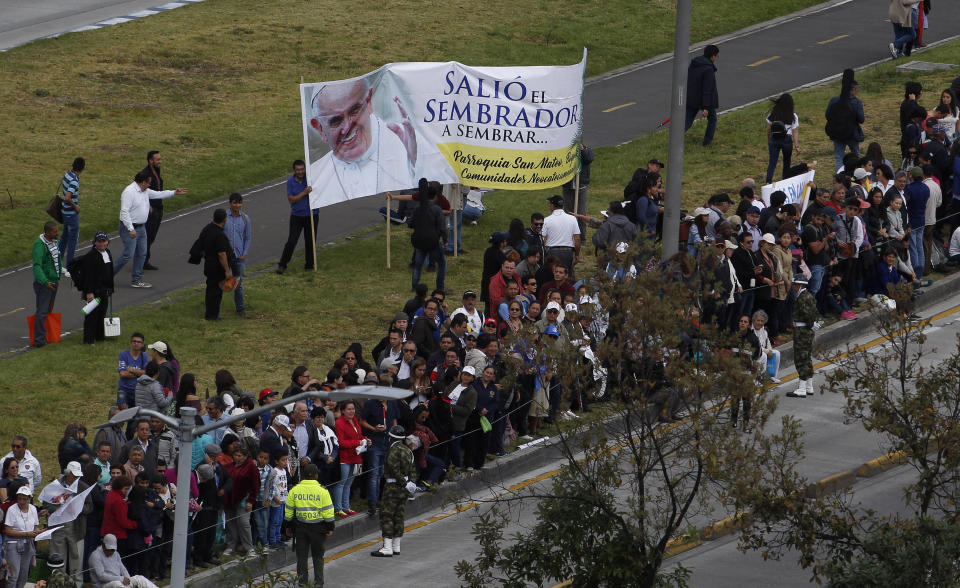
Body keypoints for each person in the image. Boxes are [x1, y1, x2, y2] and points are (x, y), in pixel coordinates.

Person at [306, 78, 456, 204]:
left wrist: (416, 161)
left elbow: (442, 177)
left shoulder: (407, 142)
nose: (347, 127)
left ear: (369, 102)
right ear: (319, 128)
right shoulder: (317, 175)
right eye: (336, 121)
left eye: (354, 110)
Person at [114, 170, 186, 288]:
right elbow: (124, 212)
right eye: (149, 183)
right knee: (128, 254)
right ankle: (107, 277)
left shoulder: (145, 190)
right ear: (142, 182)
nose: (150, 185)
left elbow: (158, 194)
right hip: (129, 228)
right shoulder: (129, 192)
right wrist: (131, 228)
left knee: (142, 253)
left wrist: (174, 192)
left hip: (141, 228)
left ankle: (136, 280)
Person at [285, 463, 335, 587]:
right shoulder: (323, 491)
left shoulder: (294, 490)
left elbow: (289, 511)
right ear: (316, 475)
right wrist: (330, 527)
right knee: (318, 557)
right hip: (318, 529)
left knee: (301, 558)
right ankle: (318, 584)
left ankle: (302, 584)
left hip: (300, 528)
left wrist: (288, 527)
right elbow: (328, 512)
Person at [371, 426, 416, 557]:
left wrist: (403, 482)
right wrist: (410, 483)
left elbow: (394, 469)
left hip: (392, 487)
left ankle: (387, 547)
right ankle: (396, 546)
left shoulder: (393, 451)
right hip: (404, 488)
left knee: (387, 516)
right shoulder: (407, 451)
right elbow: (413, 468)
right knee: (399, 516)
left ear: (391, 437)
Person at [140, 151, 185, 271]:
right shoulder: (145, 174)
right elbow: (140, 190)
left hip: (158, 207)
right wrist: (147, 206)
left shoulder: (156, 171)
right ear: (150, 160)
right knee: (148, 236)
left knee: (152, 236)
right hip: (151, 210)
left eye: (160, 159)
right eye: (157, 159)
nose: (160, 161)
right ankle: (142, 261)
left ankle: (143, 259)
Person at [278, 160, 319, 274]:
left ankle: (309, 265)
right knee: (291, 241)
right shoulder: (290, 182)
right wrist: (304, 192)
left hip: (312, 214)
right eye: (298, 170)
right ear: (294, 170)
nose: (300, 172)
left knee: (310, 241)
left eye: (302, 169)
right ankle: (282, 265)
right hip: (297, 216)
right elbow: (292, 200)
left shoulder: (310, 179)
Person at [74, 231, 115, 344]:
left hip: (105, 290)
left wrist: (111, 288)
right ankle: (88, 340)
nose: (102, 244)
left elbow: (110, 272)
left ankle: (99, 336)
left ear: (107, 242)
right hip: (94, 291)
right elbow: (88, 276)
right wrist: (89, 292)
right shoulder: (91, 256)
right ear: (95, 242)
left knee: (102, 314)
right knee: (92, 316)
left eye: (104, 241)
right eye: (99, 241)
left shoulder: (108, 252)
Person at [408, 179, 447, 293]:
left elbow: (410, 224)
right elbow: (442, 227)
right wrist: (445, 240)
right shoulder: (437, 210)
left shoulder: (417, 208)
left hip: (419, 240)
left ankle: (414, 286)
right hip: (432, 241)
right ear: (435, 196)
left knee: (418, 265)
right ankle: (440, 287)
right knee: (442, 264)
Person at [825, 69, 865, 171]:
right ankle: (857, 175)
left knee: (839, 158)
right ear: (854, 89)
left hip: (838, 133)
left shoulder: (834, 100)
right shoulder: (856, 102)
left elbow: (827, 115)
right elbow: (861, 119)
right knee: (856, 156)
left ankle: (839, 177)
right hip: (852, 133)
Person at [198, 208, 234, 321]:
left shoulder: (207, 229)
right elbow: (222, 254)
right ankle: (213, 316)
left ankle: (209, 314)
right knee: (216, 292)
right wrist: (227, 271)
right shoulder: (219, 235)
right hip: (218, 268)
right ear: (224, 219)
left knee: (210, 290)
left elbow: (201, 246)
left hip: (208, 264)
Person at [88, 533, 160, 588]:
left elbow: (123, 569)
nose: (111, 552)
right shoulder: (95, 556)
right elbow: (101, 576)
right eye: (109, 550)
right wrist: (121, 579)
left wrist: (128, 580)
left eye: (113, 550)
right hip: (104, 585)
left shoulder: (115, 554)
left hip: (119, 581)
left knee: (139, 578)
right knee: (116, 584)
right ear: (103, 545)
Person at [32, 221, 62, 347]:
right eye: (55, 231)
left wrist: (60, 274)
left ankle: (46, 334)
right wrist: (45, 282)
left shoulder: (54, 242)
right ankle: (39, 340)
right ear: (48, 232)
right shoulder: (39, 245)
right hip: (45, 284)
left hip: (54, 281)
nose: (57, 233)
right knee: (42, 311)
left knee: (48, 310)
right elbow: (37, 266)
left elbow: (56, 260)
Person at [6, 486, 43, 588]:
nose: (21, 501)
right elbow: (8, 531)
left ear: (29, 499)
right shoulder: (11, 510)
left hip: (28, 544)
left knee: (24, 575)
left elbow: (35, 526)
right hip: (13, 544)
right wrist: (27, 534)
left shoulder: (33, 509)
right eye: (19, 498)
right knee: (14, 575)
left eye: (25, 499)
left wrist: (38, 531)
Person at [787, 276, 817, 398]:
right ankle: (809, 386)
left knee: (801, 358)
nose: (793, 286)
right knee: (807, 358)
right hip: (806, 330)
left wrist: (809, 325)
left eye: (795, 284)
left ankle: (802, 388)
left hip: (802, 331)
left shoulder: (803, 297)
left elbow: (807, 315)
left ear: (800, 285)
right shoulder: (808, 296)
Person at [685, 44, 720, 146]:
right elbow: (707, 90)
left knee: (687, 120)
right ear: (712, 56)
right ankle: (707, 142)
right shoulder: (708, 69)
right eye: (717, 56)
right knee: (712, 119)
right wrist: (706, 107)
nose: (716, 58)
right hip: (704, 100)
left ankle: (676, 138)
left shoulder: (694, 63)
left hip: (691, 98)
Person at [224, 192, 252, 317]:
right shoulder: (223, 217)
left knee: (239, 284)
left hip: (239, 256)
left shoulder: (245, 218)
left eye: (239, 202)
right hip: (225, 256)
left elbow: (248, 238)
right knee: (220, 281)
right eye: (235, 203)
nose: (237, 205)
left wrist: (245, 253)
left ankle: (240, 309)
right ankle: (214, 308)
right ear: (230, 203)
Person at [541, 194, 581, 279]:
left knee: (553, 277)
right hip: (568, 252)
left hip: (552, 253)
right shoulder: (572, 219)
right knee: (567, 276)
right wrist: (577, 254)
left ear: (552, 205)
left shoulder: (546, 220)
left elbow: (543, 239)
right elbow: (577, 239)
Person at [765, 94, 800, 184]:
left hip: (774, 139)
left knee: (772, 162)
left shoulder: (773, 114)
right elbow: (795, 131)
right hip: (787, 140)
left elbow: (768, 129)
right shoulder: (793, 116)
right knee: (787, 162)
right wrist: (797, 145)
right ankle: (785, 181)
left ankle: (768, 182)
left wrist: (769, 139)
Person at [562, 143, 594, 237]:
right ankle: (568, 236)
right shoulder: (566, 150)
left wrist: (582, 150)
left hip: (581, 188)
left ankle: (582, 238)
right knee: (568, 214)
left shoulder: (587, 150)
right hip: (567, 187)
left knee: (581, 214)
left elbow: (589, 159)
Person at [59, 156, 85, 270]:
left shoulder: (67, 174)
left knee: (64, 238)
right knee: (73, 241)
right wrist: (76, 207)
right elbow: (68, 197)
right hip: (71, 213)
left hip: (64, 212)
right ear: (83, 168)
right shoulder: (75, 180)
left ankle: (58, 265)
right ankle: (70, 267)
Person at [117, 334, 148, 408]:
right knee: (121, 412)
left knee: (136, 414)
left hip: (139, 391)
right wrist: (139, 373)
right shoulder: (123, 354)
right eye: (134, 341)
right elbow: (122, 374)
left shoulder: (144, 356)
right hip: (124, 389)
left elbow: (147, 373)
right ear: (131, 343)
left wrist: (132, 370)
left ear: (142, 344)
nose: (136, 343)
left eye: (139, 342)